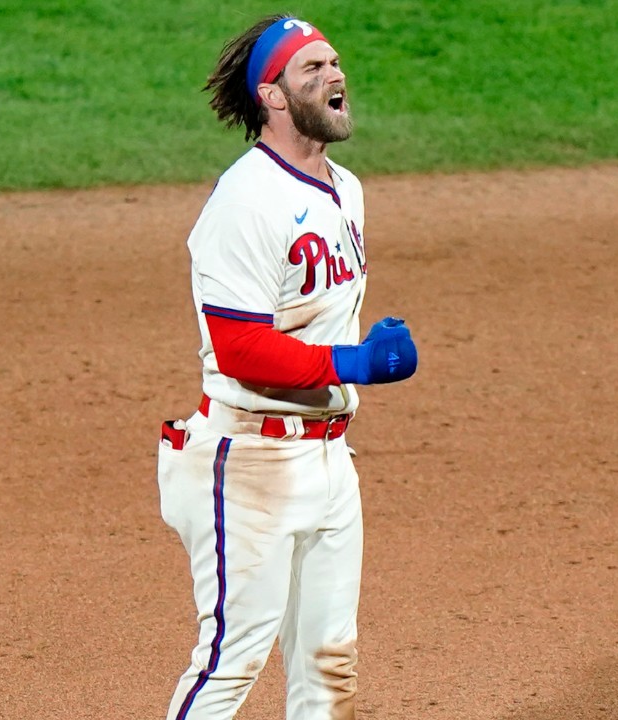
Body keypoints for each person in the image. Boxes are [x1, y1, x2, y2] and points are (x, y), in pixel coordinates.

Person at [156, 14, 419, 720]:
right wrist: (353, 361)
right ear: (272, 97)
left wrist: (359, 349)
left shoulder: (348, 190)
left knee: (329, 668)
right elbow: (240, 347)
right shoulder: (247, 199)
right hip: (249, 461)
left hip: (330, 461)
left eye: (335, 63)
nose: (335, 76)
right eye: (313, 69)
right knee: (230, 664)